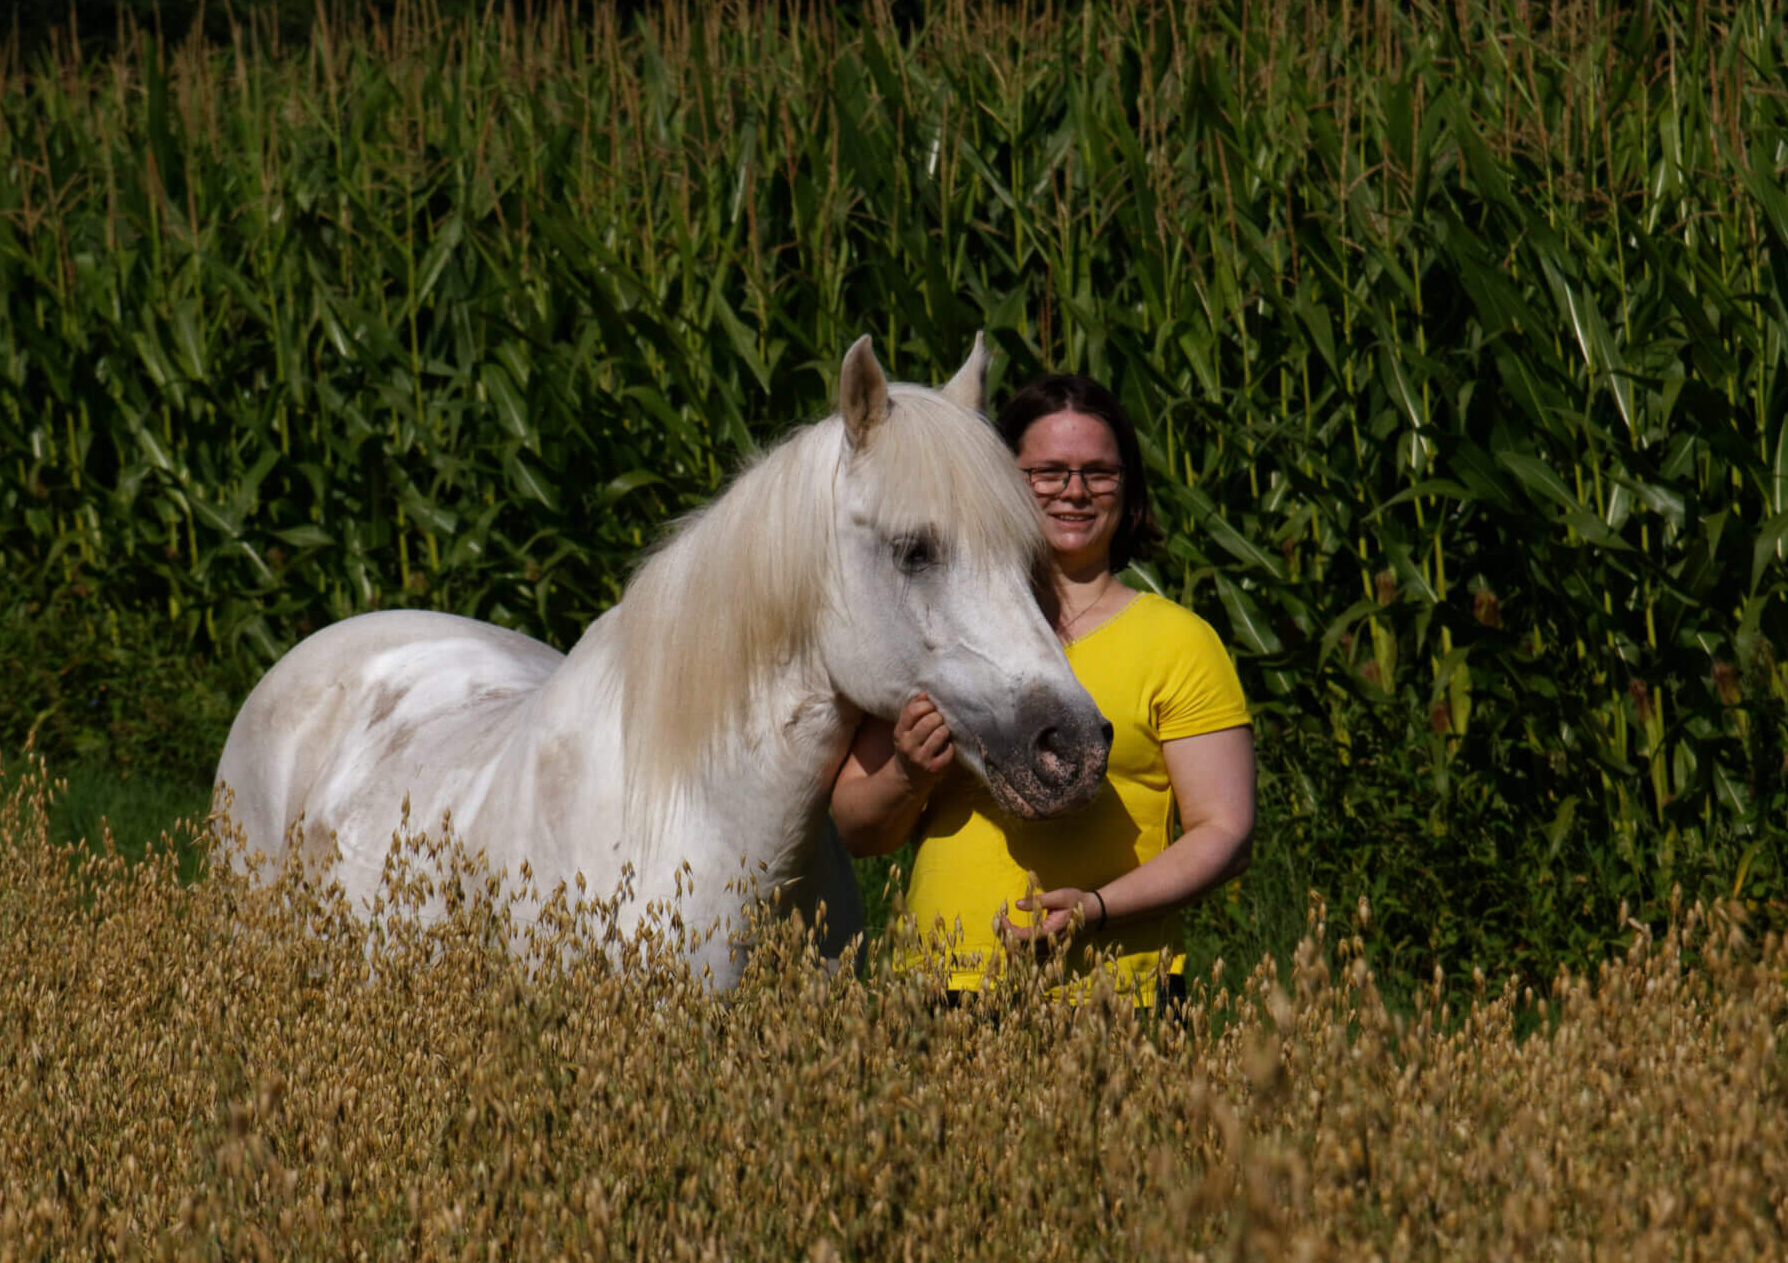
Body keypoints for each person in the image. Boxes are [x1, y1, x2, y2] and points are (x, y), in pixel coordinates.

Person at [830, 374, 1255, 1007]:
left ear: (1127, 486)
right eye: (1048, 473)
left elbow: (1225, 831)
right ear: (1003, 481)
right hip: (937, 988)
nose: (1075, 492)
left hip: (1117, 994)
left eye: (1099, 473)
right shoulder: (937, 627)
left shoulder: (1179, 641)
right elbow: (853, 828)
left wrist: (1098, 910)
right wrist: (907, 774)